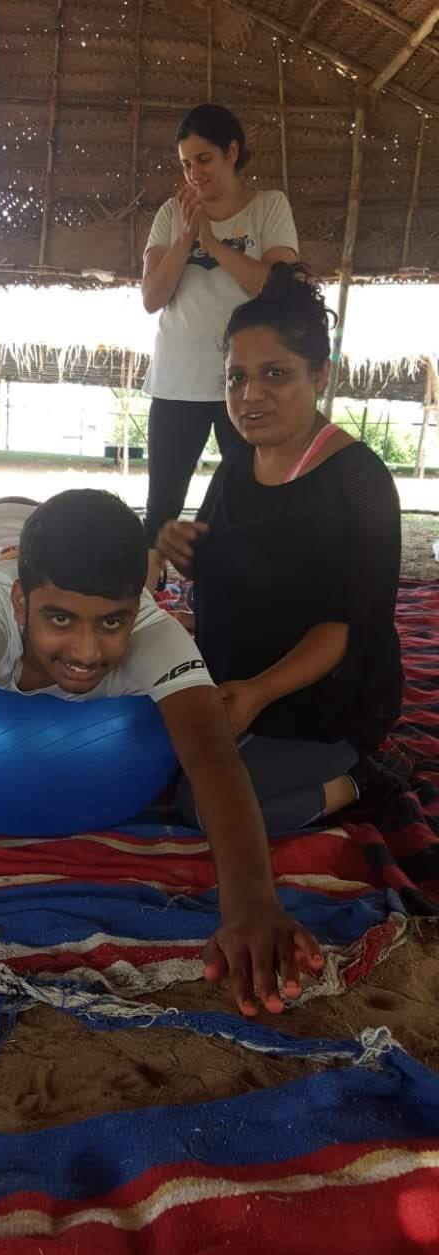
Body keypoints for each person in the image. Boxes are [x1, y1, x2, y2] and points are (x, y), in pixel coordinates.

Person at [0, 490, 324, 1029]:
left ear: (136, 608)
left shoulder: (156, 633)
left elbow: (213, 755)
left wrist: (252, 906)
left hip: (45, 536)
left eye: (112, 623)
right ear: (20, 604)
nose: (86, 651)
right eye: (60, 618)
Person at [157, 264, 404, 835]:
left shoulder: (358, 482)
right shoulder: (239, 462)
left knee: (204, 807)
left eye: (275, 374)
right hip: (237, 681)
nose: (250, 396)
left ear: (320, 374)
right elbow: (218, 560)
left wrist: (257, 694)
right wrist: (183, 548)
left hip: (320, 699)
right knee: (151, 765)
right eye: (236, 378)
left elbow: (351, 627)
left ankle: (361, 779)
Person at [142, 103, 298, 578]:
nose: (194, 173)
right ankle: (144, 598)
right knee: (161, 504)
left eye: (204, 159)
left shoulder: (268, 207)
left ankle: (227, 590)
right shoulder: (172, 214)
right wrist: (187, 237)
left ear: (232, 152)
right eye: (186, 164)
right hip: (177, 382)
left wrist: (211, 244)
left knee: (243, 499)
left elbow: (276, 287)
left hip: (247, 386)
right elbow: (152, 297)